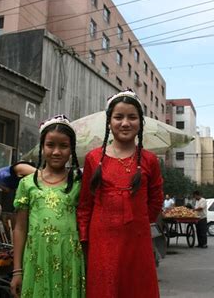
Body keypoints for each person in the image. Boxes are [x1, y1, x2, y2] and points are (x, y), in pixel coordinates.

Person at [77, 89, 164, 298]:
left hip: (138, 239)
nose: (125, 123)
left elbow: (155, 200)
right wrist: (84, 239)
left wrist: (138, 223)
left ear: (140, 123)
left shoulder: (150, 160)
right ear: (109, 122)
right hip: (101, 240)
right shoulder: (93, 158)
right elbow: (85, 204)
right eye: (118, 117)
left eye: (132, 117)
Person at [11, 115, 85, 297]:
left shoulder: (78, 182)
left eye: (64, 146)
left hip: (69, 258)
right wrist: (17, 270)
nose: (57, 152)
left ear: (72, 149)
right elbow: (20, 228)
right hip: (36, 258)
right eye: (50, 145)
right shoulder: (28, 184)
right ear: (42, 147)